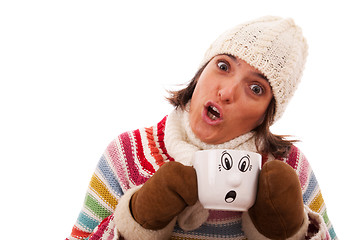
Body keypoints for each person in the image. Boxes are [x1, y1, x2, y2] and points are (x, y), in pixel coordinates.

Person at [66, 16, 337, 240]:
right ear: (201, 72)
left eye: (256, 88)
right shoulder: (128, 154)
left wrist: (293, 230)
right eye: (223, 66)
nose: (227, 91)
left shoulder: (289, 168)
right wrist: (138, 218)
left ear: (266, 114)